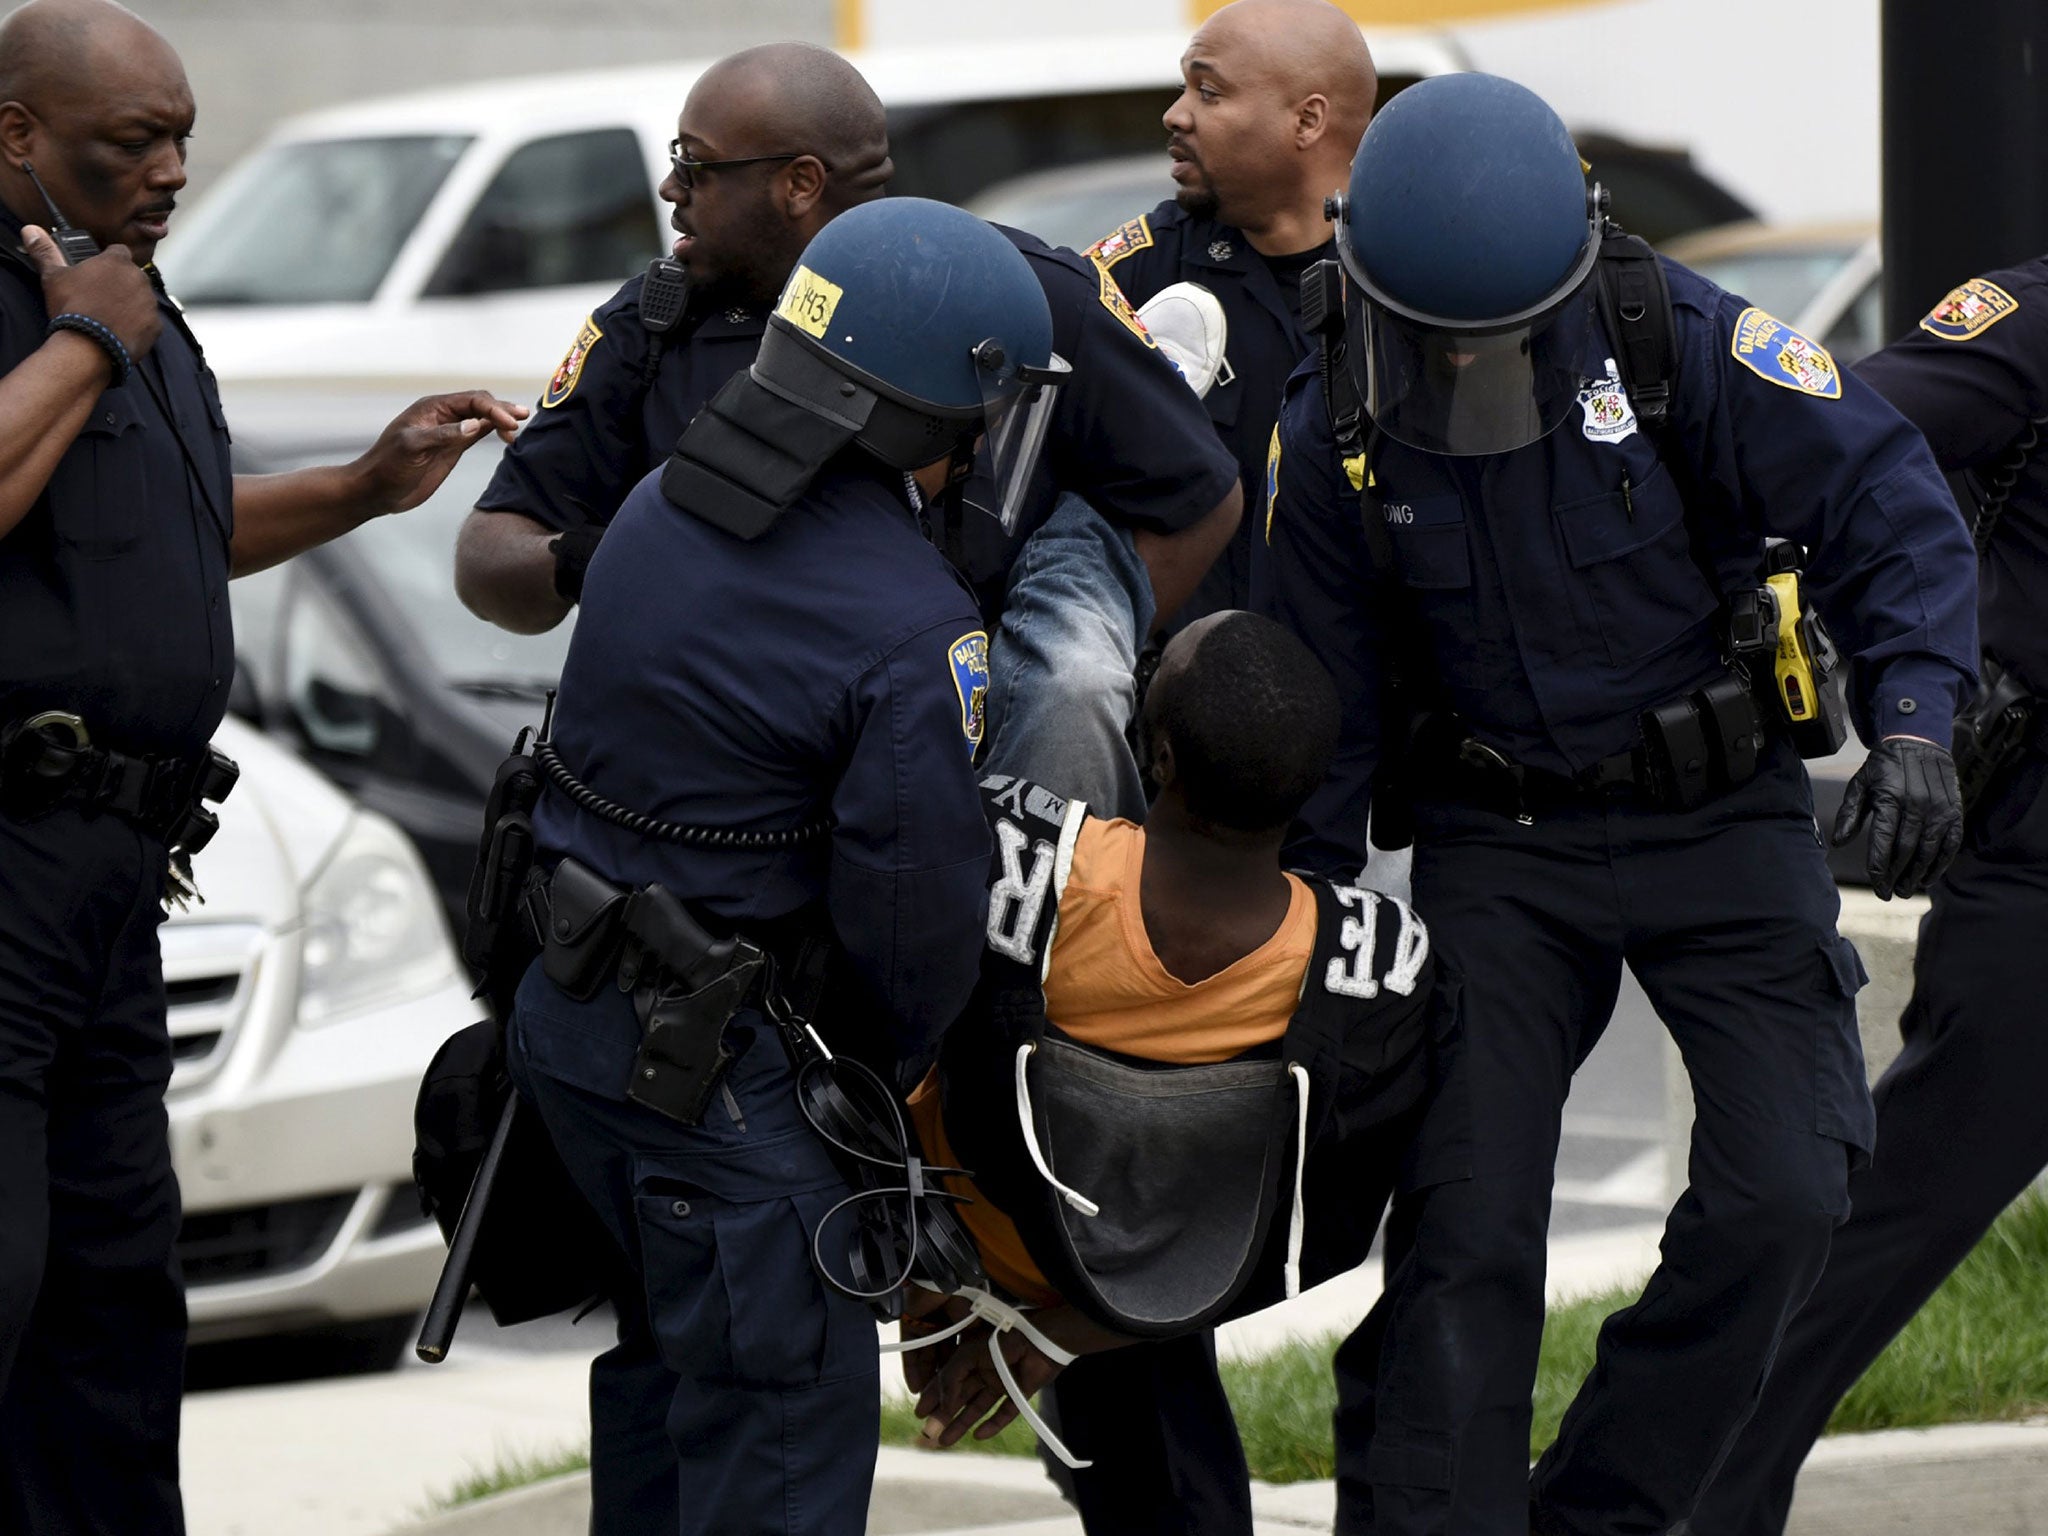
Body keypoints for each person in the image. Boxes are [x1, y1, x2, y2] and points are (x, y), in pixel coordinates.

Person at [1265, 74, 1978, 1536]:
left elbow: (1888, 507)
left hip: (1718, 823)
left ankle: (1601, 1512)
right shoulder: (1333, 417)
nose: (1471, 373)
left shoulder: (1688, 343)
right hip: (1499, 849)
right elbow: (1322, 705)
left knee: (1790, 1196)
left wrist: (1916, 728)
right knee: (1468, 1236)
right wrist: (1308, 933)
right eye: (1440, 345)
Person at [0, 2, 523, 1529]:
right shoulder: (94, 305)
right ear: (17, 134)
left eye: (180, 138)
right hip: (11, 857)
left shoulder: (127, 292)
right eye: (127, 144)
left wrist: (362, 488)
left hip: (117, 877)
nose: (168, 170)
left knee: (112, 1291)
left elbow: (171, 533)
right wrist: (93, 333)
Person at [504, 197, 1064, 1536]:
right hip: (730, 1086)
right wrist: (858, 1101)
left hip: (572, 1024)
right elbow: (910, 931)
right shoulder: (908, 622)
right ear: (927, 417)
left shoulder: (654, 507)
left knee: (664, 1387)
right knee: (779, 1450)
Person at [455, 41, 1240, 821]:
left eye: (695, 164)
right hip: (738, 799)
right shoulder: (653, 328)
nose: (669, 188)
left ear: (800, 183)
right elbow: (487, 558)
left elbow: (1200, 496)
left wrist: (1038, 682)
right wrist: (602, 558)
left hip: (950, 793)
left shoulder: (1020, 298)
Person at [895, 611, 1435, 1461]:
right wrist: (1065, 1332)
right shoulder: (1372, 969)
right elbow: (1320, 1229)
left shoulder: (1024, 865)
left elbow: (890, 1014)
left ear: (1162, 758)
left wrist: (921, 1260)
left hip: (951, 1233)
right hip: (1152, 1286)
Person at [1688, 260, 2048, 1536]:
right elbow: (1846, 442)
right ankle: (1692, 1498)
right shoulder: (2024, 325)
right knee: (1887, 1223)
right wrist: (1924, 664)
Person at [1086, 0, 1375, 624]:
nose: (1175, 113)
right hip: (1198, 690)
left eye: (1209, 91)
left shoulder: (1409, 276)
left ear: (1307, 120)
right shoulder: (1141, 274)